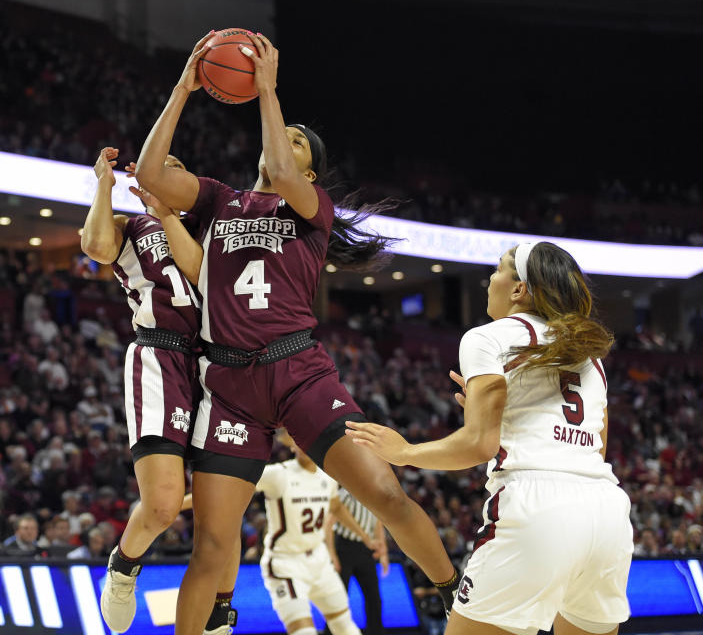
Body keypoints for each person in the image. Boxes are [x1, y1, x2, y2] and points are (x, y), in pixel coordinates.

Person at [133, 31, 458, 634]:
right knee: (211, 545)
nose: (287, 144)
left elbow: (280, 168)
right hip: (228, 383)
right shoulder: (219, 201)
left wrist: (266, 90)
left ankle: (452, 591)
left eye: (300, 143)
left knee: (384, 493)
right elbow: (152, 173)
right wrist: (185, 85)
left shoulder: (309, 211)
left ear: (310, 168)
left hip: (298, 371)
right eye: (287, 134)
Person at [346, 242, 634, 635]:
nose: (490, 280)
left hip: (537, 508)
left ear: (519, 289)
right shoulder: (591, 357)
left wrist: (405, 451)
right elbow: (593, 449)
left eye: (498, 269)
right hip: (607, 512)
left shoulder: (488, 337)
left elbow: (478, 445)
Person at [81, 146, 239, 634]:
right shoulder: (133, 227)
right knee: (165, 504)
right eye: (161, 168)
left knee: (224, 512)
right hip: (160, 354)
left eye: (178, 169)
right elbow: (96, 247)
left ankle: (218, 611)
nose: (168, 174)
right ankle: (124, 567)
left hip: (216, 366)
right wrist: (104, 188)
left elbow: (202, 277)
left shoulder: (210, 231)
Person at [256, 432, 373, 635]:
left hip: (319, 560)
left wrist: (364, 536)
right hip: (286, 563)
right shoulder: (277, 474)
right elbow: (232, 486)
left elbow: (336, 506)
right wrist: (184, 503)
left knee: (345, 626)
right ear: (292, 445)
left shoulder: (327, 476)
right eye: (300, 439)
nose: (305, 444)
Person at [329, 489, 388, 635]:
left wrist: (383, 552)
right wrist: (332, 555)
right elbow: (328, 525)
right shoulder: (345, 494)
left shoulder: (375, 494)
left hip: (366, 550)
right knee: (338, 600)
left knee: (374, 599)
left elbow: (378, 523)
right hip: (343, 548)